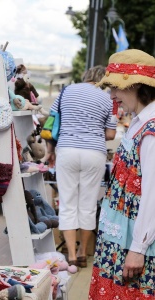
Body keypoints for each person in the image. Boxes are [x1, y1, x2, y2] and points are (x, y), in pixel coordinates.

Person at [89, 49, 155, 299]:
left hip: (134, 244)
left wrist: (139, 248)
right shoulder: (140, 122)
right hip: (121, 238)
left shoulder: (151, 131)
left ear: (138, 86)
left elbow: (152, 195)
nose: (112, 94)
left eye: (116, 87)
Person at [49, 65, 117, 268]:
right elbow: (111, 134)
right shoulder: (108, 97)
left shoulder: (66, 91)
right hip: (94, 153)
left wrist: (50, 150)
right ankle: (82, 253)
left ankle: (69, 254)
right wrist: (92, 131)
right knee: (88, 206)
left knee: (68, 203)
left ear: (85, 76)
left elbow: (52, 121)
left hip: (67, 150)